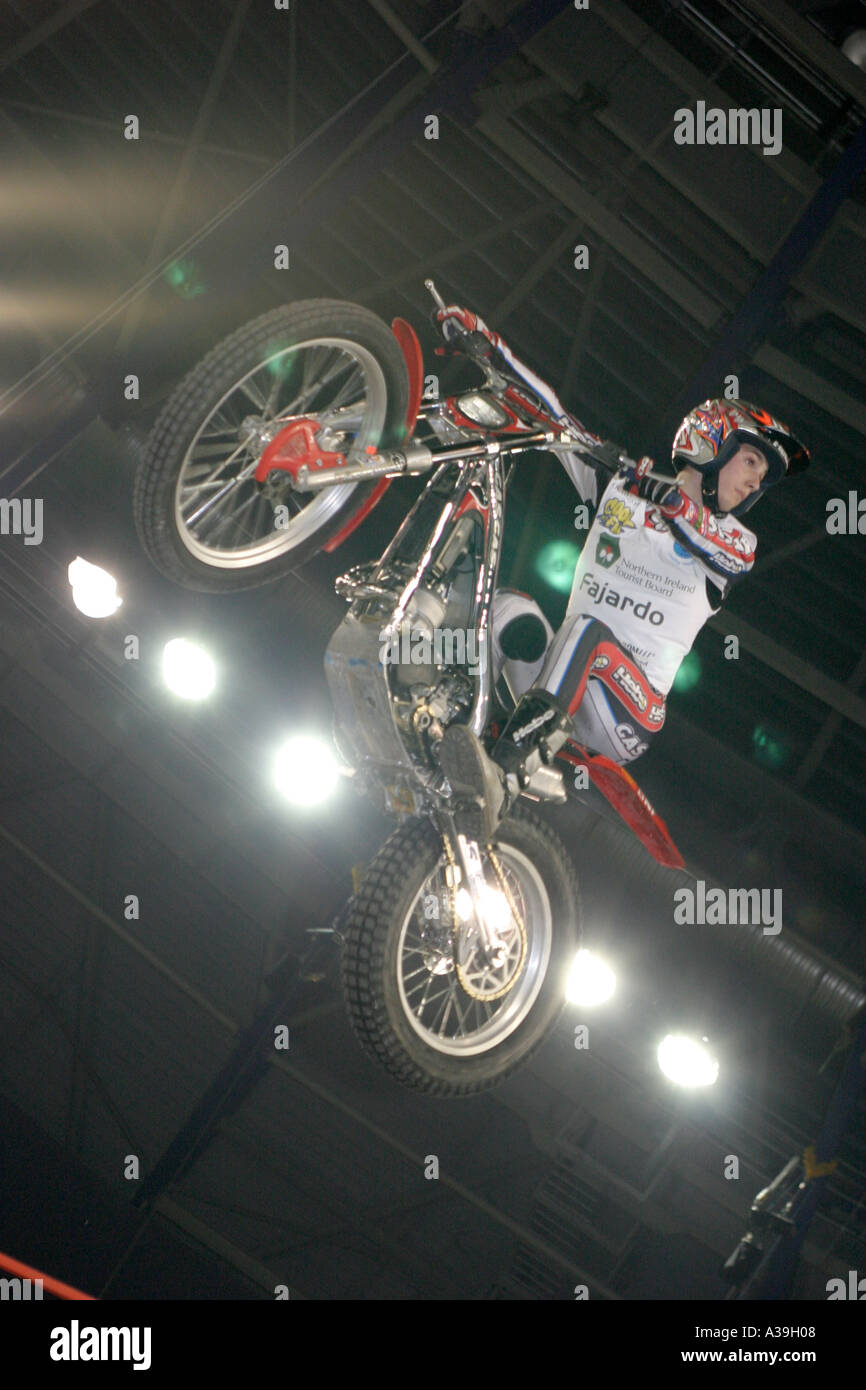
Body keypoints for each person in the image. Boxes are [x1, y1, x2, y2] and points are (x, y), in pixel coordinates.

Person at [435, 310, 810, 839]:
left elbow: (703, 533)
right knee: (508, 607)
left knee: (587, 631)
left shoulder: (738, 544)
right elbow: (558, 421)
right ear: (712, 442)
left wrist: (663, 494)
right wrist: (490, 346)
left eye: (762, 478)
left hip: (628, 715)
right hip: (558, 681)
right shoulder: (621, 488)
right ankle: (445, 719)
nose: (755, 482)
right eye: (751, 461)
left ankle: (506, 770)